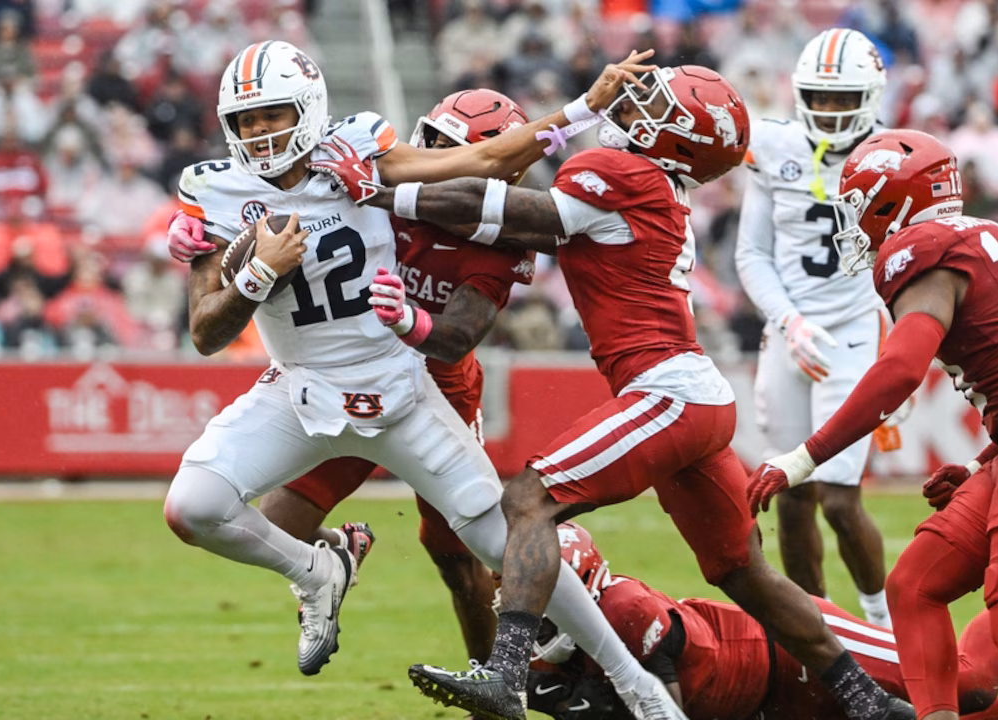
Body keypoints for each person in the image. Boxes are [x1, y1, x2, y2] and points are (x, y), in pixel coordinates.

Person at [339, 65, 914, 720]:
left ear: (679, 136)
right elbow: (522, 228)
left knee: (528, 500)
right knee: (741, 571)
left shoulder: (621, 172)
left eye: (659, 102)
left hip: (666, 390)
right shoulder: (653, 185)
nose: (640, 103)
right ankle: (870, 703)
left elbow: (499, 209)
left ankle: (505, 674)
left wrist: (377, 189)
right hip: (693, 394)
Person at [159, 40, 690, 720]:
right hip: (298, 388)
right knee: (194, 506)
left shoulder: (357, 152)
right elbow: (205, 332)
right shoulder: (212, 189)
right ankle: (316, 571)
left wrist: (584, 106)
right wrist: (256, 272)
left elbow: (486, 160)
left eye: (276, 115)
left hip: (403, 391)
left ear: (311, 109)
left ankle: (639, 689)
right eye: (250, 121)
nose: (263, 135)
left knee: (503, 547)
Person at [745, 129, 998, 720]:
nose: (856, 226)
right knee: (913, 584)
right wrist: (983, 462)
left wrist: (803, 457)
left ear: (892, 202)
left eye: (860, 208)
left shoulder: (921, 248)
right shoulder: (981, 233)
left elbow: (900, 370)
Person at [166, 88, 538, 667]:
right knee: (280, 522)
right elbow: (291, 199)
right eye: (431, 140)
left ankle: (504, 676)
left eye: (450, 148)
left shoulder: (499, 231)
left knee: (452, 551)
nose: (434, 154)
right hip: (345, 379)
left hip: (437, 386)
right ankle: (336, 557)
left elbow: (459, 331)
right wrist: (204, 236)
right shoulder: (379, 185)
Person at [524, 522, 998, 720]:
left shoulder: (627, 610)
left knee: (962, 687)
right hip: (764, 705)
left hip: (797, 647)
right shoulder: (536, 663)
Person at [735, 28, 895, 626]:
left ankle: (884, 629)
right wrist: (789, 320)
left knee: (839, 499)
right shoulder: (775, 147)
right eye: (819, 97)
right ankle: (820, 638)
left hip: (856, 329)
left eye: (842, 98)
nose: (828, 110)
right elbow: (752, 253)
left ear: (872, 95)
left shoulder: (897, 152)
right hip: (790, 332)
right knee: (793, 497)